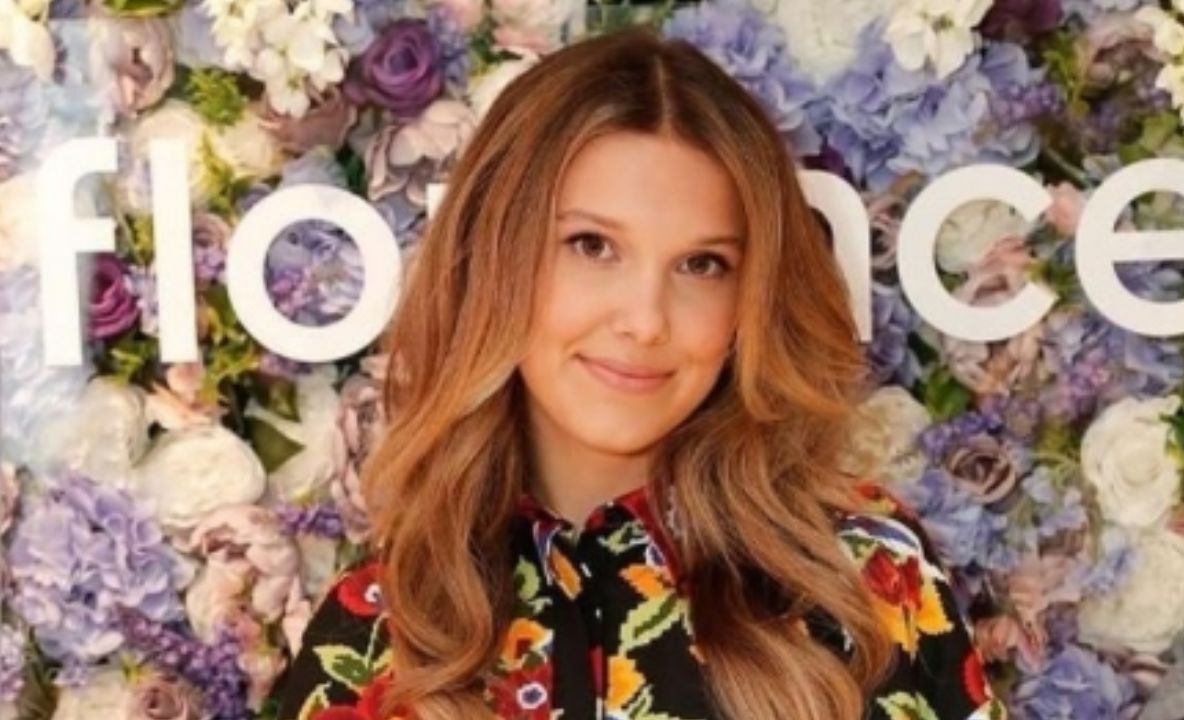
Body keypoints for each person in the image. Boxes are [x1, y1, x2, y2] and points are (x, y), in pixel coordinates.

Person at [266, 25, 1004, 720]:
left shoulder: (861, 581)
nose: (646, 320)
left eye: (702, 265)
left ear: (749, 300)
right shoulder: (375, 633)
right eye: (592, 246)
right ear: (492, 259)